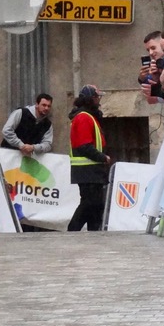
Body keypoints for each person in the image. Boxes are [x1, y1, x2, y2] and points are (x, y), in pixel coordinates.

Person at [67, 85, 110, 232]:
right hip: (88, 171)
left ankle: (93, 234)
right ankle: (72, 231)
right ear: (91, 99)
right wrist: (103, 157)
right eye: (97, 97)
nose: (99, 100)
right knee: (89, 204)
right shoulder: (84, 117)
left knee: (95, 206)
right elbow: (84, 145)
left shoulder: (87, 116)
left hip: (91, 171)